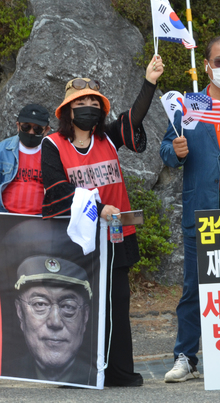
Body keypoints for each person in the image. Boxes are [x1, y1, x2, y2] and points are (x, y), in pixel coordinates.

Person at [41, 55, 164, 386]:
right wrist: (96, 203)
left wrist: (149, 81)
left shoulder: (108, 137)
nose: (88, 106)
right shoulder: (52, 145)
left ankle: (118, 372)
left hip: (115, 235)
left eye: (94, 101)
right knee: (76, 305)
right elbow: (55, 189)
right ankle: (76, 373)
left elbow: (134, 117)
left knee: (117, 302)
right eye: (81, 101)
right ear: (67, 110)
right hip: (75, 240)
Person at [160, 35, 220, 383]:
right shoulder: (188, 104)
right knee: (194, 286)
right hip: (199, 207)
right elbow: (165, 151)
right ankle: (185, 355)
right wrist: (177, 150)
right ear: (206, 65)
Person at [14, 255, 92, 383]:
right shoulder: (7, 372)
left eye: (68, 306)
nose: (55, 322)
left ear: (85, 318)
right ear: (20, 313)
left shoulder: (97, 376)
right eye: (40, 304)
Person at [0, 104, 52, 214]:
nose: (31, 132)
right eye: (26, 127)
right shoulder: (3, 149)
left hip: (40, 219)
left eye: (37, 129)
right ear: (18, 126)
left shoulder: (52, 154)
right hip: (6, 216)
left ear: (46, 130)